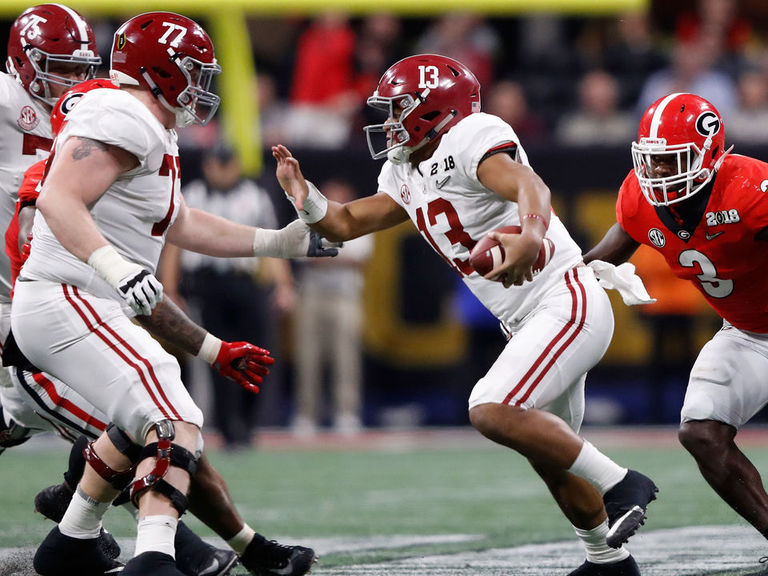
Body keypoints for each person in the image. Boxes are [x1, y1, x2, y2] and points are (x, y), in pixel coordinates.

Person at [272, 54, 658, 576]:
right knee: (550, 455)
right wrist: (304, 196)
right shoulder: (403, 169)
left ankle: (621, 483)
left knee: (489, 407)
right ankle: (609, 560)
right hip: (529, 319)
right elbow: (343, 223)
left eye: (398, 108)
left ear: (433, 108)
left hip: (565, 300)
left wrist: (531, 235)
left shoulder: (468, 137)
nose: (388, 121)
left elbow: (531, 187)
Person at [9, 12, 328, 576]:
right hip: (68, 294)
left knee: (142, 417)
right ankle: (155, 557)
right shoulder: (125, 113)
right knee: (173, 415)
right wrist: (115, 266)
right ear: (159, 70)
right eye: (193, 72)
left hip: (80, 300)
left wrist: (279, 243)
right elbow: (58, 199)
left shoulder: (148, 125)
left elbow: (177, 221)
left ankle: (74, 536)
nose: (203, 86)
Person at [583, 92, 768, 567]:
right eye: (653, 161)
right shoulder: (641, 198)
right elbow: (606, 254)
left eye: (671, 161)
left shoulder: (751, 189)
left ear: (709, 152)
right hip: (748, 333)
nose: (659, 174)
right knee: (701, 433)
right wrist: (555, 291)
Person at [164, 143, 296, 449]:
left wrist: (284, 285)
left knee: (258, 353)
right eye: (216, 164)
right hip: (208, 286)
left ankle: (248, 422)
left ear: (236, 165)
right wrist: (169, 289)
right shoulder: (192, 195)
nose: (222, 170)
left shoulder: (255, 195)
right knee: (217, 357)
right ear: (208, 165)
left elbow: (273, 243)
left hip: (246, 283)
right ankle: (228, 428)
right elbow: (174, 246)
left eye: (227, 163)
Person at [291, 178, 372, 437]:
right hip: (312, 294)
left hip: (345, 296)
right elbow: (302, 255)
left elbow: (359, 258)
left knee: (346, 357)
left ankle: (346, 413)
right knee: (308, 357)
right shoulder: (308, 219)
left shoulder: (357, 219)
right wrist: (336, 257)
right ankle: (306, 415)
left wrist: (325, 256)